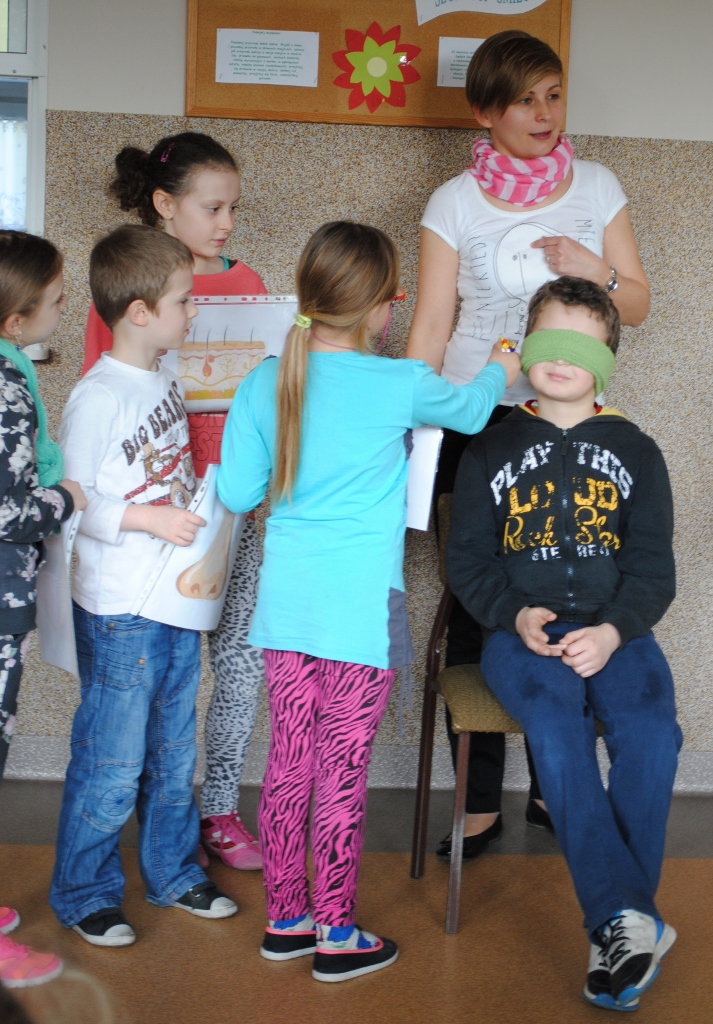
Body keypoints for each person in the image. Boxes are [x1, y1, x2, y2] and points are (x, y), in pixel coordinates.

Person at [217, 220, 520, 982]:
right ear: (382, 307)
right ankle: (336, 934)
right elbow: (473, 410)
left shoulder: (264, 380)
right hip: (359, 613)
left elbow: (239, 493)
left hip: (286, 609)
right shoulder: (397, 384)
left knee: (288, 763)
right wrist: (499, 363)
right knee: (340, 772)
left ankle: (286, 921)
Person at [406, 29, 651, 861]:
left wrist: (594, 267)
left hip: (571, 418)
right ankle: (477, 804)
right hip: (475, 417)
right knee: (482, 602)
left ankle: (556, 785)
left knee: (575, 590)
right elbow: (431, 324)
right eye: (523, 100)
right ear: (485, 112)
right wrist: (408, 419)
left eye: (552, 95)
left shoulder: (596, 185)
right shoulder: (452, 201)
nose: (543, 114)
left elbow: (636, 303)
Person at [447, 276, 680, 1011]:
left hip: (618, 631)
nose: (561, 357)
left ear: (608, 358)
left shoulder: (637, 451)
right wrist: (513, 614)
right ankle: (626, 921)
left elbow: (654, 568)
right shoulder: (489, 448)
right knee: (556, 729)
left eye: (582, 343)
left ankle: (619, 923)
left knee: (652, 735)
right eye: (549, 338)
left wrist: (612, 631)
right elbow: (468, 561)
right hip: (522, 634)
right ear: (526, 344)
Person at [82, 131, 266, 871]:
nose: (226, 223)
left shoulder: (248, 280)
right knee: (160, 673)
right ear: (164, 204)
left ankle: (216, 808)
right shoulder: (125, 286)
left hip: (238, 498)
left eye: (233, 208)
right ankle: (154, 810)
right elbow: (110, 404)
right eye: (211, 207)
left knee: (240, 661)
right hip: (159, 513)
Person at [50, 225, 237, 947]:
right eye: (183, 301)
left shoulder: (163, 379)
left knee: (172, 752)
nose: (193, 311)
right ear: (138, 312)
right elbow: (76, 500)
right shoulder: (97, 397)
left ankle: (173, 873)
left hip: (172, 601)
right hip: (120, 610)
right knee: (113, 761)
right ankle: (84, 892)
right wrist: (149, 518)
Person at [0, 231, 86, 988]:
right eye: (57, 299)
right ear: (15, 320)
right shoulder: (5, 386)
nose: (66, 308)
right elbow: (9, 510)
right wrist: (66, 497)